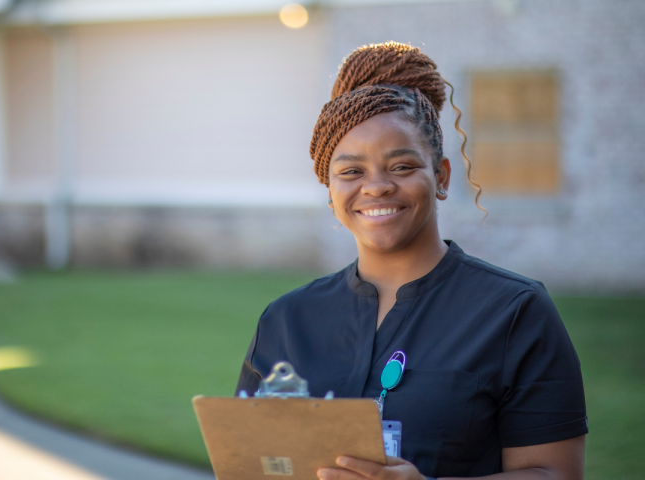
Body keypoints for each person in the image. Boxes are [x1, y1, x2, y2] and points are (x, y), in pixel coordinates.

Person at [235, 42, 587, 480]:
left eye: (401, 166)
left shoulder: (515, 312)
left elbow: (555, 474)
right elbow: (250, 465)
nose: (377, 186)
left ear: (440, 176)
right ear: (330, 191)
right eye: (351, 172)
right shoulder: (286, 320)